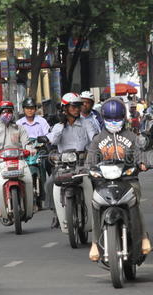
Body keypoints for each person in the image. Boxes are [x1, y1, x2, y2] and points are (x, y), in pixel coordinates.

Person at [86, 97, 151, 261]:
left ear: (124, 118)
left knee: (135, 202)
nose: (113, 122)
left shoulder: (131, 136)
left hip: (128, 180)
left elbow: (139, 153)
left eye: (117, 119)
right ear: (103, 118)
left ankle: (143, 237)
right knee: (94, 204)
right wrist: (88, 169)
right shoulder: (98, 139)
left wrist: (142, 163)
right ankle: (95, 242)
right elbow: (90, 159)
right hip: (104, 183)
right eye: (109, 119)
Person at [43, 92, 97, 228]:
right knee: (50, 183)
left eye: (78, 106)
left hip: (83, 162)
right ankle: (56, 213)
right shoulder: (58, 126)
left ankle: (98, 211)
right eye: (73, 106)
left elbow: (94, 138)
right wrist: (62, 124)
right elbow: (53, 139)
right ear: (65, 108)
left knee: (97, 181)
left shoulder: (87, 123)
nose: (77, 109)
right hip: (63, 163)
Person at [0, 101, 30, 217]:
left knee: (28, 179)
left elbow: (26, 143)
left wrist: (30, 149)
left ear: (13, 113)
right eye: (4, 112)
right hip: (2, 163)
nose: (7, 114)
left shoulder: (20, 129)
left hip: (19, 160)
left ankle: (31, 202)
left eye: (9, 111)